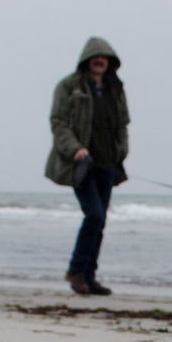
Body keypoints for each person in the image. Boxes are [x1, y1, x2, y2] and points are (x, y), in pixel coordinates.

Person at [45, 37, 129, 296]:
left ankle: (89, 276)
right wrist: (75, 149)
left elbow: (123, 124)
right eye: (95, 57)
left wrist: (121, 152)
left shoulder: (116, 89)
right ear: (86, 60)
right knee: (94, 215)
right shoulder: (69, 86)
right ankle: (75, 271)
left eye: (104, 57)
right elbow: (58, 122)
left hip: (108, 163)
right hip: (81, 164)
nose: (100, 61)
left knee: (100, 221)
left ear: (110, 62)